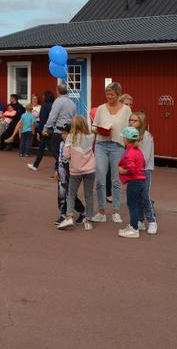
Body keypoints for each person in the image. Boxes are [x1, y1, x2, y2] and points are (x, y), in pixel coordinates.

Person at [90, 83, 131, 224]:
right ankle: (101, 211)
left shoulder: (126, 110)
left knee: (116, 179)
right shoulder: (101, 108)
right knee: (100, 178)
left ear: (118, 94)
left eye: (112, 94)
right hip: (101, 144)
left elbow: (129, 129)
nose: (109, 97)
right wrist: (99, 130)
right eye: (107, 94)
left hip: (118, 146)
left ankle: (116, 211)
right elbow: (93, 127)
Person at [58, 115, 96, 231]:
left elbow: (66, 155)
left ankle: (69, 216)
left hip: (75, 170)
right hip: (90, 169)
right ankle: (88, 220)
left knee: (71, 193)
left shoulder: (70, 137)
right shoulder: (91, 136)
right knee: (88, 194)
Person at [29, 83, 74, 172]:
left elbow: (52, 117)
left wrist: (45, 128)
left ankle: (63, 171)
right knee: (64, 152)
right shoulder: (72, 103)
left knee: (56, 152)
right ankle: (59, 171)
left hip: (58, 131)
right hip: (68, 131)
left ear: (58, 91)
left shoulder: (58, 101)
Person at [116, 126, 146, 239]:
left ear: (127, 140)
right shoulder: (138, 151)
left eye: (124, 138)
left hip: (134, 182)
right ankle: (136, 224)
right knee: (137, 204)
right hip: (141, 180)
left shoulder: (130, 153)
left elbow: (132, 169)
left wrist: (123, 171)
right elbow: (142, 163)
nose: (123, 139)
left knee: (132, 204)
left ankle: (134, 229)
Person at [133, 111, 158, 234]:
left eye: (134, 120)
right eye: (130, 120)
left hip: (144, 170)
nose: (131, 123)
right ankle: (140, 221)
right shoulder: (129, 136)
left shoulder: (147, 137)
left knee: (144, 196)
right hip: (134, 171)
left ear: (141, 123)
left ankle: (152, 221)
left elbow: (145, 157)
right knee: (136, 196)